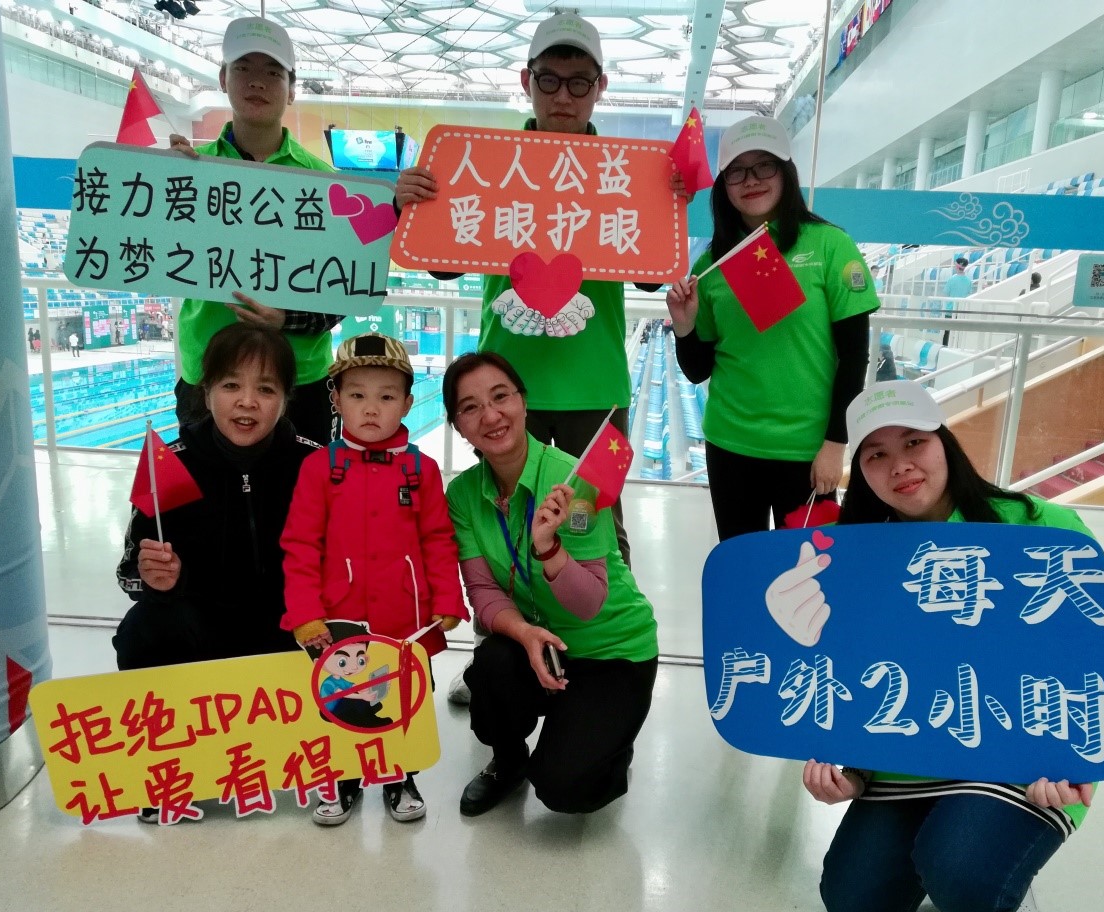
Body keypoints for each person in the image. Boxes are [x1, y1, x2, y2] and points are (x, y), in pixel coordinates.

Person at [799, 379, 1104, 912]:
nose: (900, 465)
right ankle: (957, 832)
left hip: (1019, 760)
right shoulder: (853, 556)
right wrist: (848, 768)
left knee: (968, 880)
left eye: (914, 442)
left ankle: (1006, 879)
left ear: (945, 443)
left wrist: (1070, 751)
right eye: (876, 455)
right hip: (907, 761)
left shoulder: (1036, 525)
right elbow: (851, 674)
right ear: (859, 472)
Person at [395, 12, 673, 569]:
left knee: (597, 522)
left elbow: (650, 275)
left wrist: (668, 202)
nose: (563, 96)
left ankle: (608, 623)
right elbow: (443, 269)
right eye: (549, 79)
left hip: (594, 389)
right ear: (527, 81)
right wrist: (414, 206)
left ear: (600, 87)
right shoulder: (485, 162)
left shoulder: (626, 172)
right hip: (504, 386)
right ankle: (512, 621)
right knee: (508, 522)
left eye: (579, 83)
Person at [114, 324, 319, 819]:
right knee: (143, 629)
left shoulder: (314, 464)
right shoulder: (171, 468)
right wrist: (159, 580)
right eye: (231, 385)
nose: (247, 402)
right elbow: (128, 574)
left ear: (285, 399)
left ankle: (314, 744)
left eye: (265, 388)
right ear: (206, 393)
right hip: (206, 634)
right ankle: (170, 763)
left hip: (291, 633)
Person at [442, 352, 658, 817]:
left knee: (565, 789)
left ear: (524, 403)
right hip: (542, 640)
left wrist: (549, 549)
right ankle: (508, 762)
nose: (491, 416)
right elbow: (483, 593)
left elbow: (589, 604)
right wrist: (524, 634)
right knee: (493, 663)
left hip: (610, 650)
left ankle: (608, 741)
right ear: (458, 425)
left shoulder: (572, 481)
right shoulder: (462, 494)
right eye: (471, 407)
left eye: (501, 397)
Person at [281, 333, 468, 825]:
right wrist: (305, 614)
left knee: (404, 697)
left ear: (407, 403)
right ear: (336, 400)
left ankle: (400, 775)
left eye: (386, 396)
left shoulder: (420, 470)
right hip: (339, 619)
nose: (370, 408)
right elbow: (301, 547)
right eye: (357, 394)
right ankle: (343, 778)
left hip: (405, 620)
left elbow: (438, 541)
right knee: (339, 698)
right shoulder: (319, 468)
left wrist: (448, 598)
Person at [666, 115, 880, 541]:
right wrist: (684, 326)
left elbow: (855, 354)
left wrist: (835, 444)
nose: (751, 180)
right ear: (724, 186)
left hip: (806, 451)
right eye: (737, 171)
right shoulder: (711, 265)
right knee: (743, 564)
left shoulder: (830, 245)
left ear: (786, 172)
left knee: (810, 567)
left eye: (764, 165)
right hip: (730, 445)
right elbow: (697, 370)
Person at [166, 16, 344, 445]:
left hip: (298, 374)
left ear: (292, 88)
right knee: (207, 486)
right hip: (209, 372)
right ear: (223, 79)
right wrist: (161, 184)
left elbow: (343, 295)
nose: (257, 82)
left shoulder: (325, 183)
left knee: (304, 487)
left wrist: (285, 318)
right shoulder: (188, 171)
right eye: (244, 68)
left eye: (273, 72)